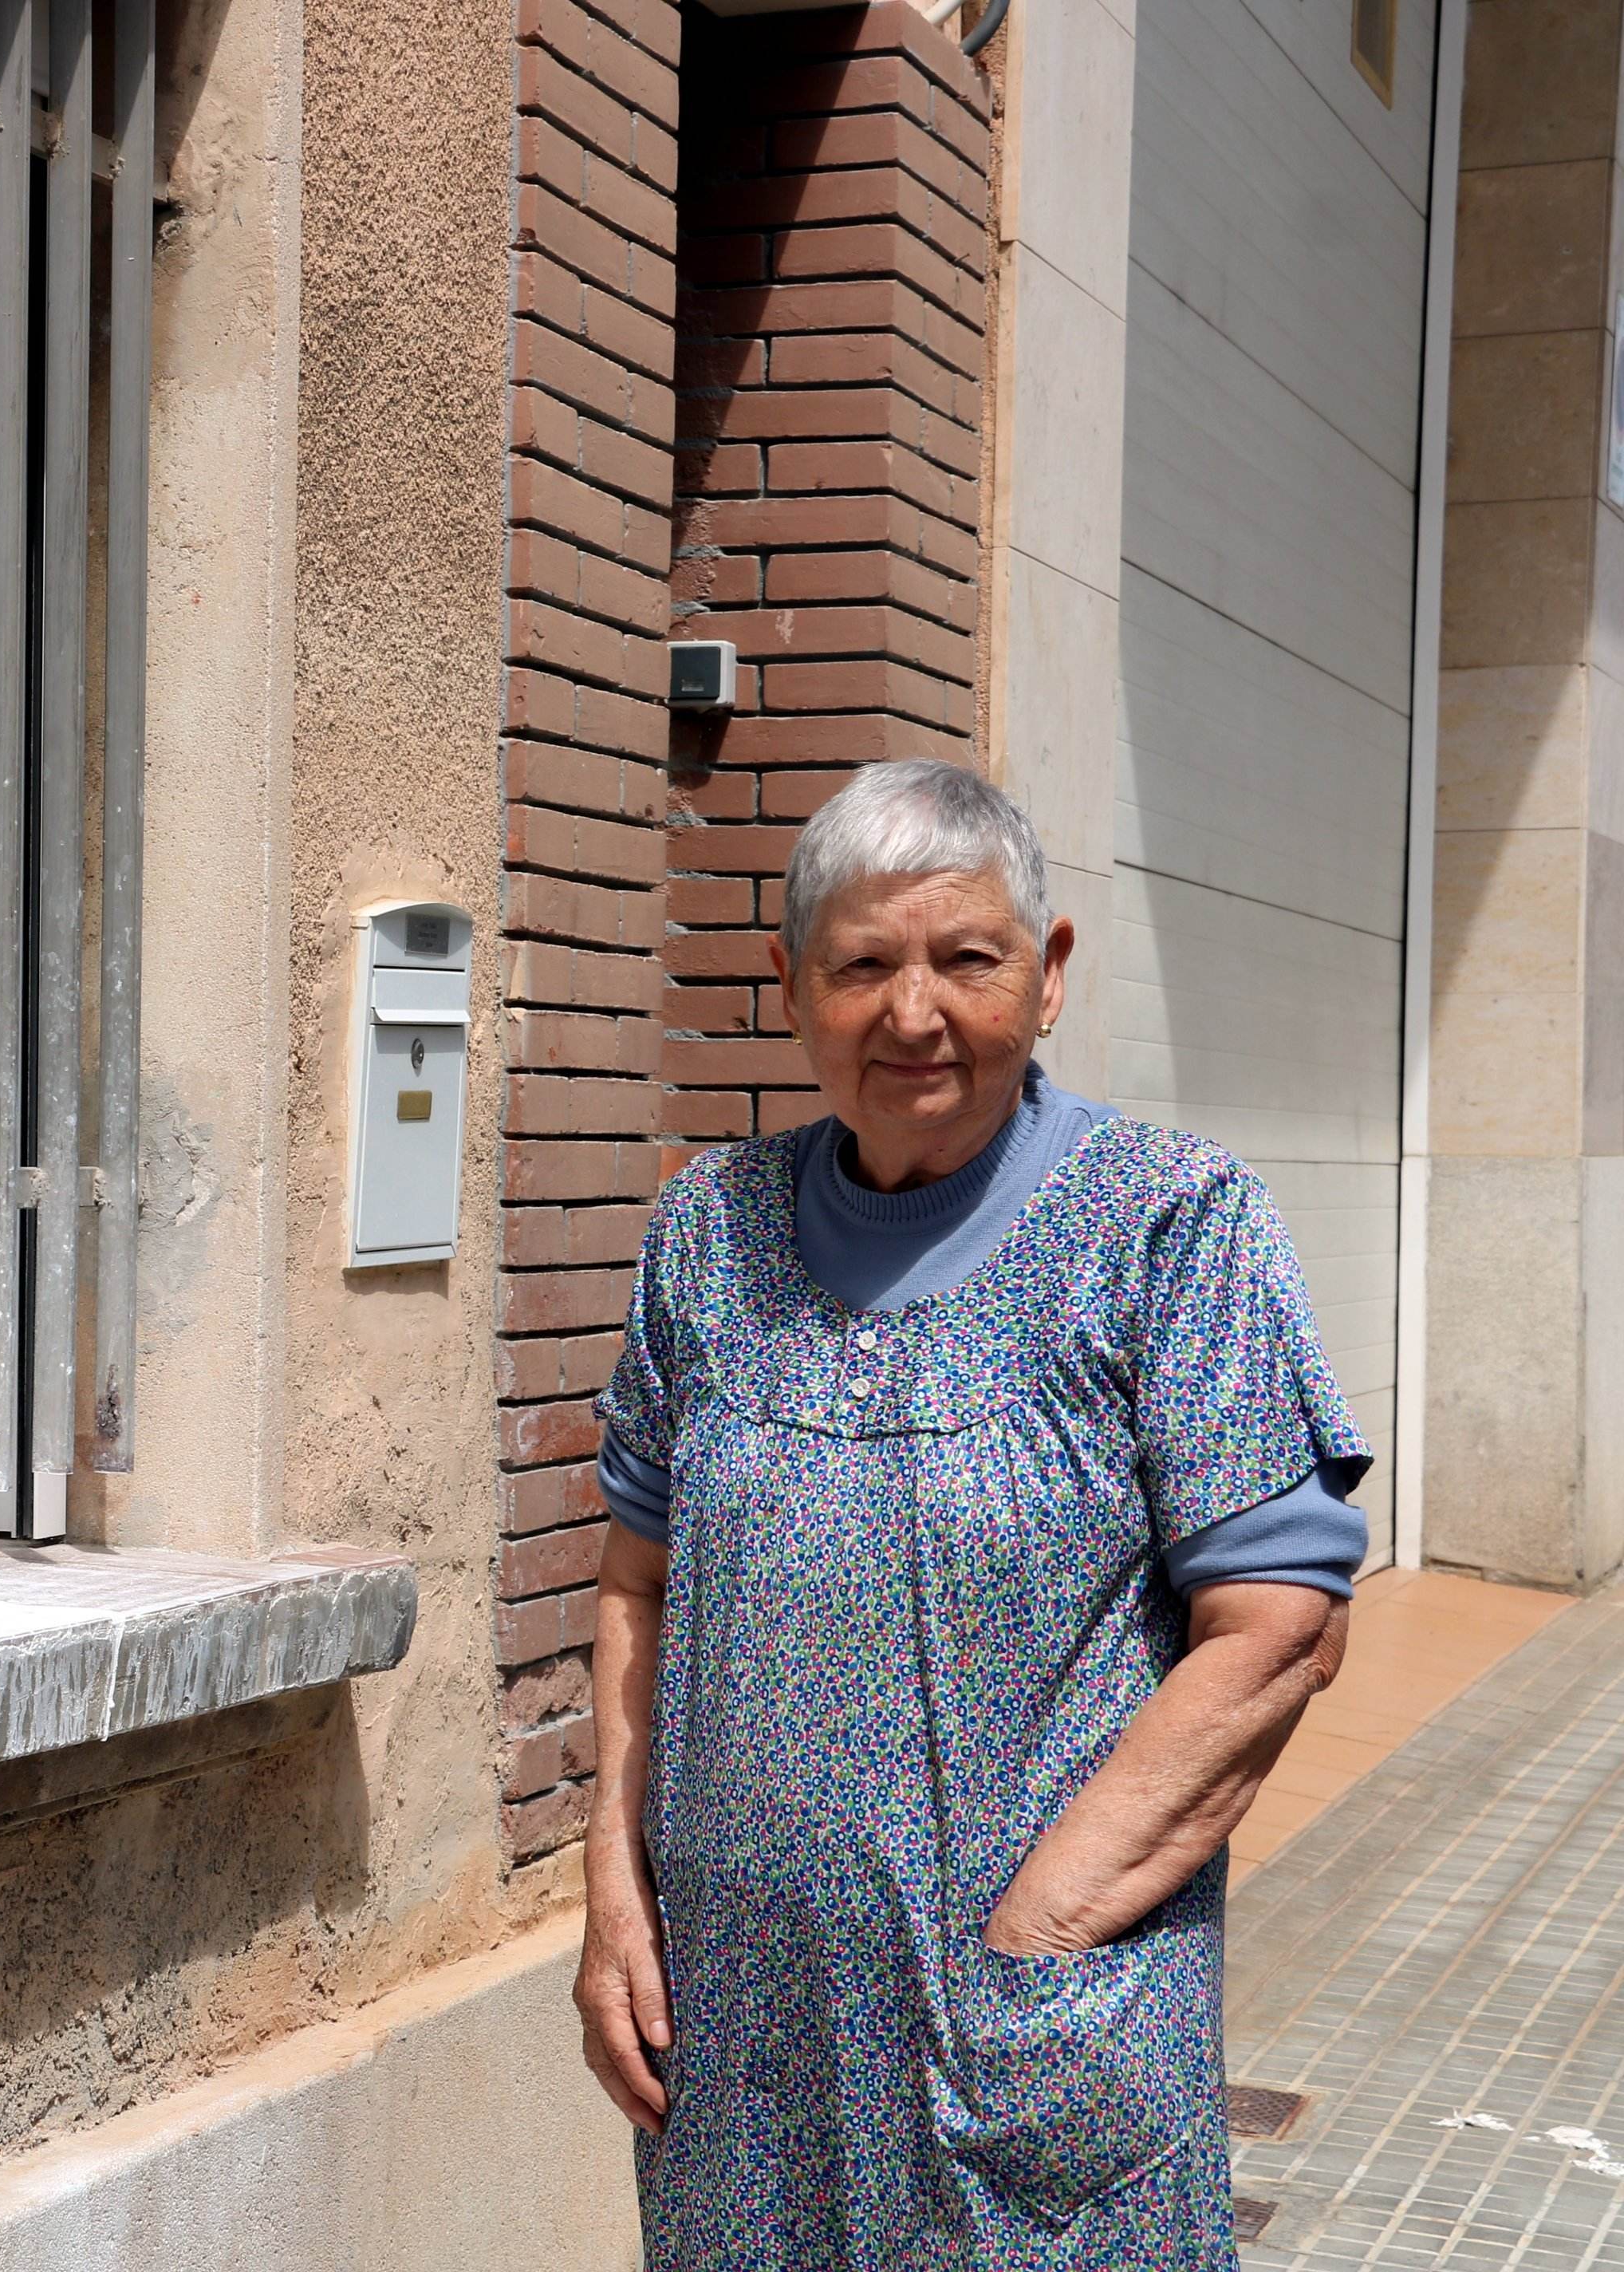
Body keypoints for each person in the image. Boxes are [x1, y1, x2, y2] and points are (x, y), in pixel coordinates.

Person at [574, 760, 1366, 2267]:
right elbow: (636, 1588)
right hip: (738, 2047)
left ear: (1048, 976)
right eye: (864, 964)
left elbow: (1275, 1633)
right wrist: (613, 1885)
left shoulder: (1171, 1225)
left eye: (967, 959)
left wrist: (1036, 1942)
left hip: (1025, 2051)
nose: (914, 1013)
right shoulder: (704, 1232)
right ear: (793, 987)